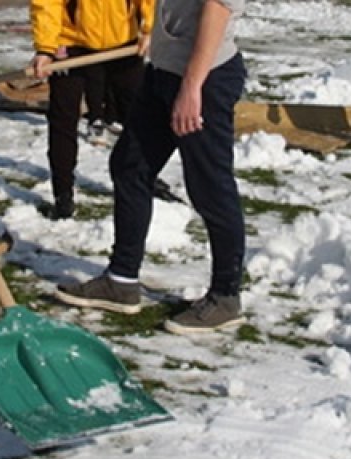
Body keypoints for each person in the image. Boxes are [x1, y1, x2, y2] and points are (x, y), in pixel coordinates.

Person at [54, 0, 248, 335]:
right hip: (163, 72)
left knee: (210, 188)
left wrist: (191, 88)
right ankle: (121, 280)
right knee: (130, 166)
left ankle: (225, 297)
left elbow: (217, 10)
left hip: (203, 79)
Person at [30, 0, 155, 219]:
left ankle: (146, 178)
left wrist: (150, 29)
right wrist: (45, 48)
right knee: (63, 119)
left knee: (137, 115)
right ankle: (63, 195)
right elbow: (47, 3)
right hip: (70, 43)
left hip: (123, 40)